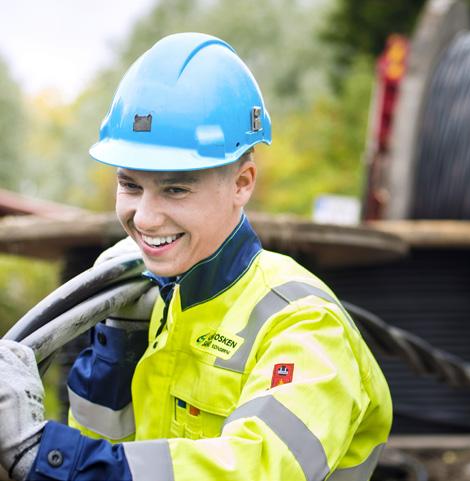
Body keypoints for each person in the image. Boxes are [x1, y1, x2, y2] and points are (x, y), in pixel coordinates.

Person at [0, 32, 392, 481]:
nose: (144, 218)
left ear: (243, 183)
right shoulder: (155, 304)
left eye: (175, 189)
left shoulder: (304, 328)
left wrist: (43, 452)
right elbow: (114, 449)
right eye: (130, 185)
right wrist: (116, 350)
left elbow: (255, 470)